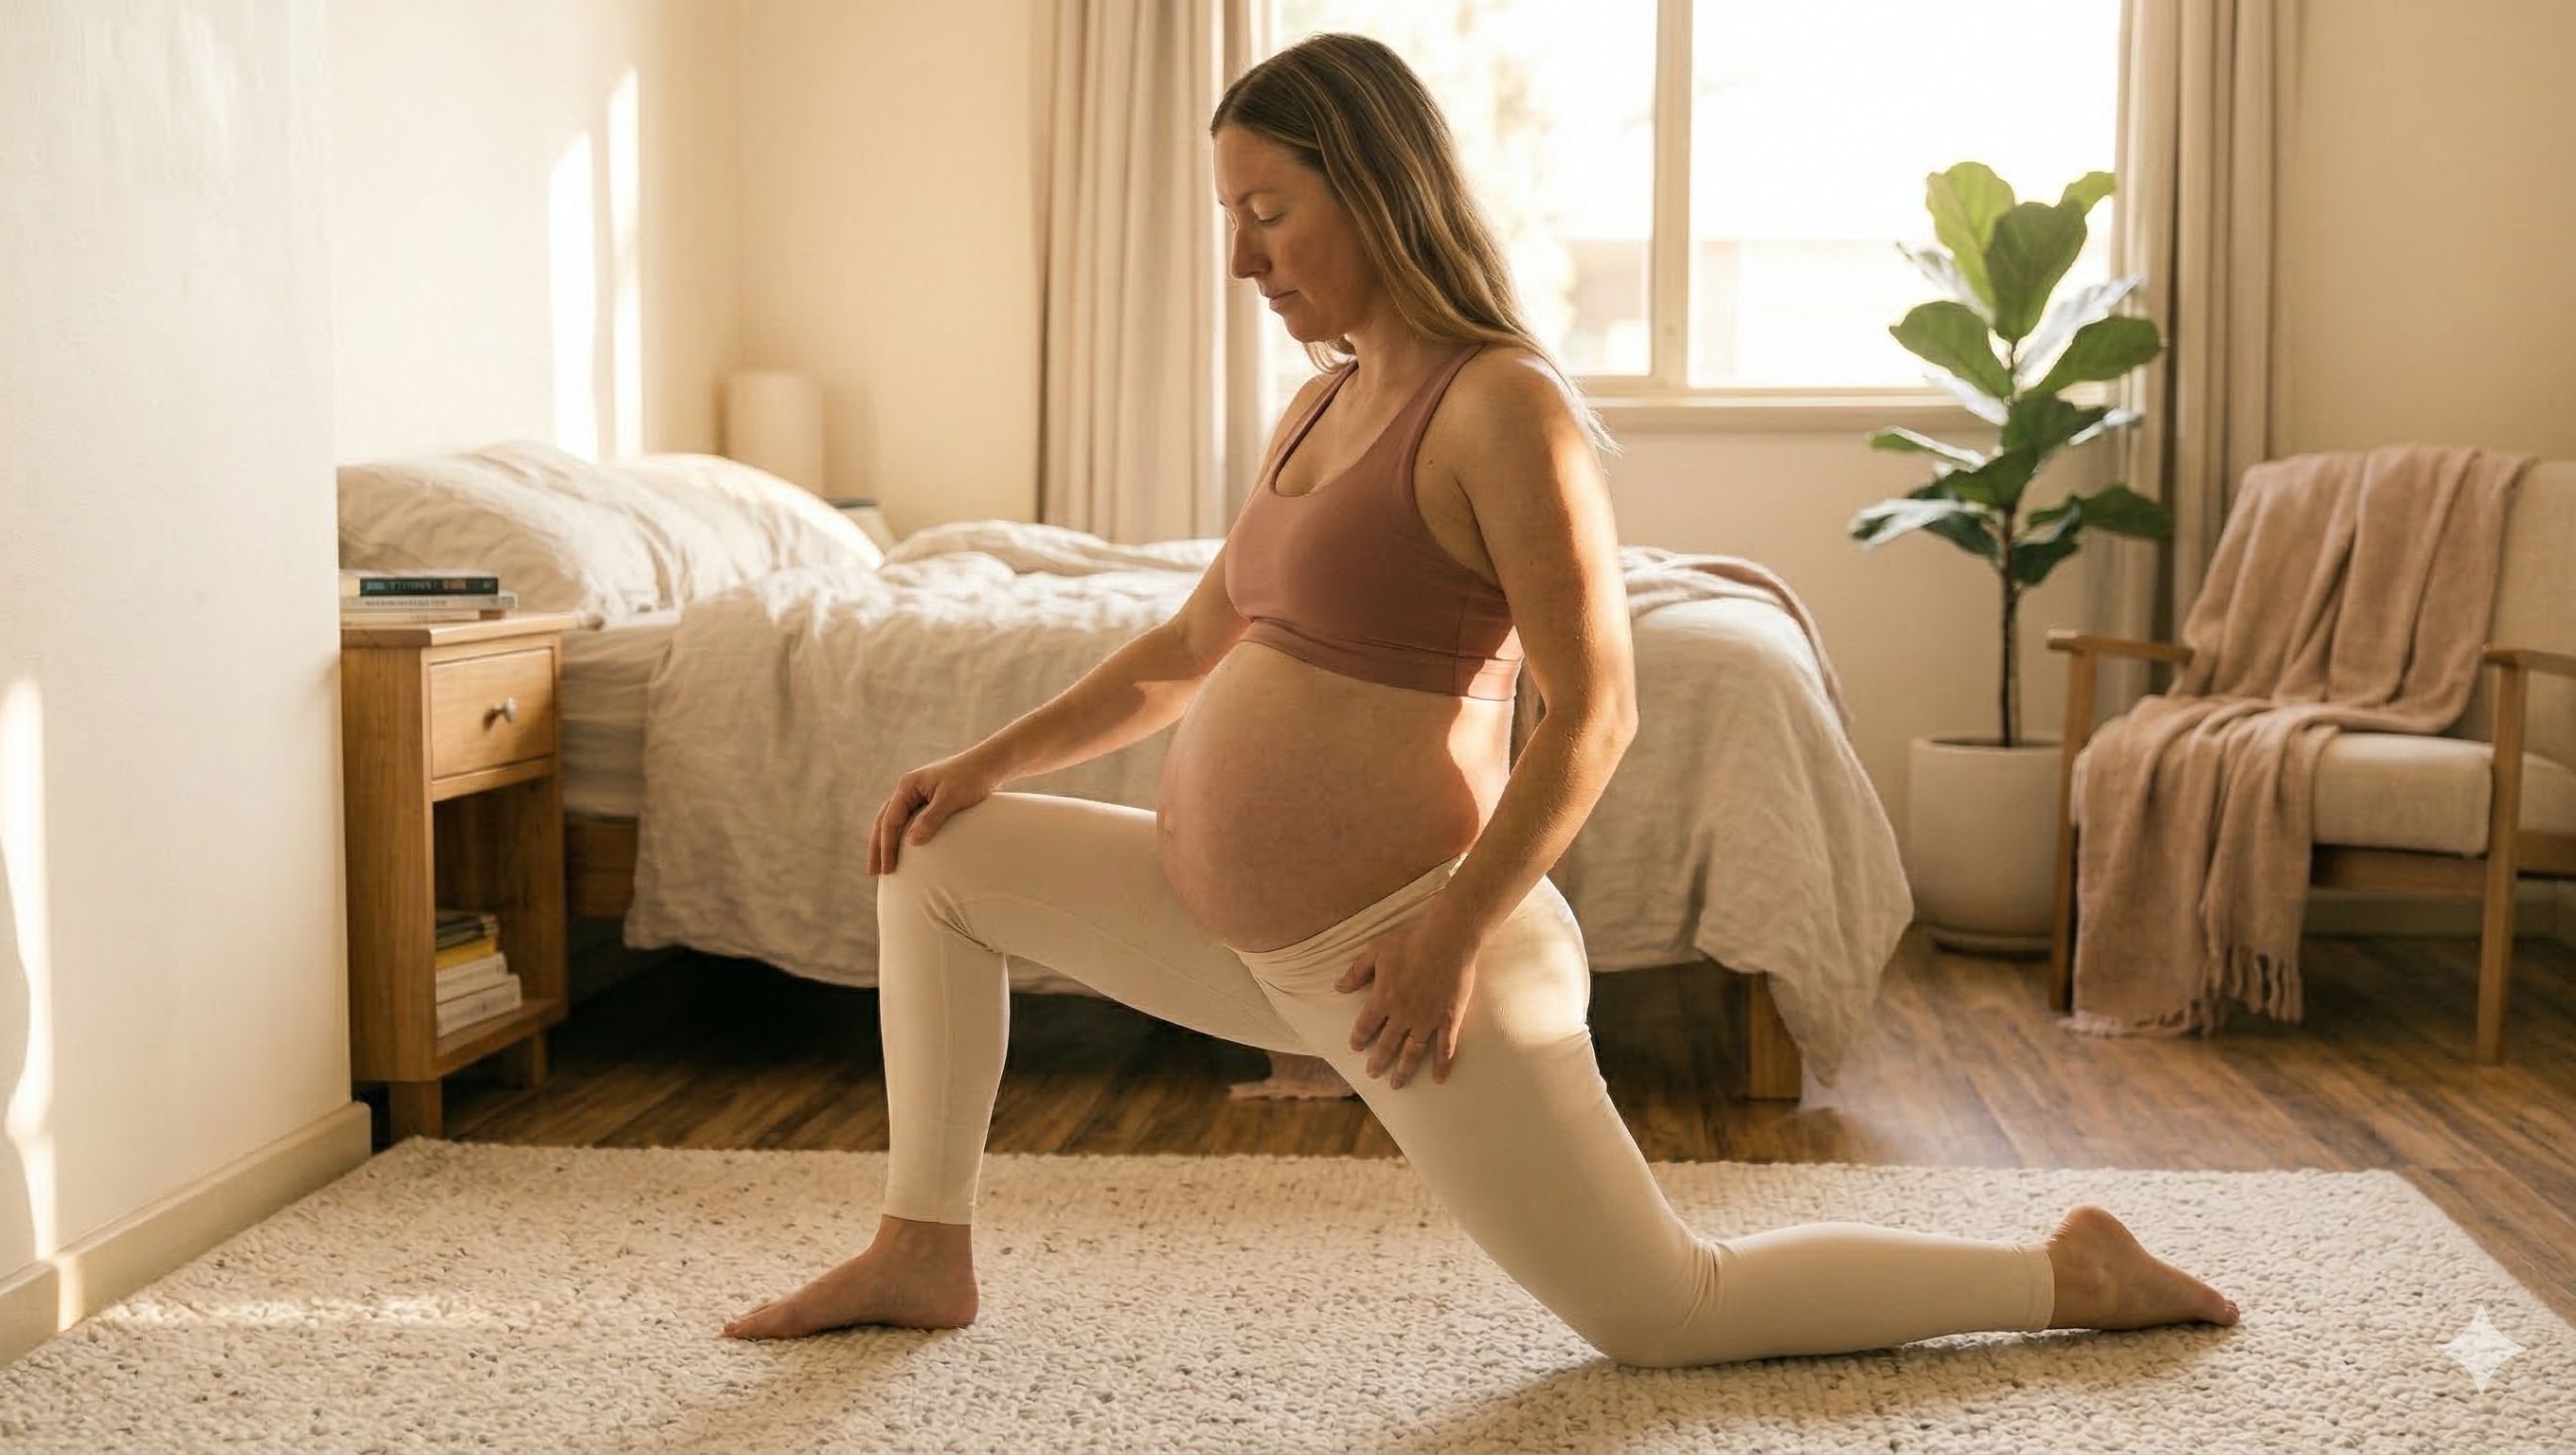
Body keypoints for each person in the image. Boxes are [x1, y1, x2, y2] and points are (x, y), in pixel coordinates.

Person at [723, 31, 2240, 1364]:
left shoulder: (1504, 405)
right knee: (934, 855)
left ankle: (2064, 1274)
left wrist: (1447, 939)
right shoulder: (1315, 398)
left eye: (1268, 212)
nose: (1243, 260)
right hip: (1234, 939)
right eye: (1227, 219)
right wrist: (972, 763)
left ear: (1376, 191)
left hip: (1414, 958)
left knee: (1666, 1314)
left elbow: (1594, 712)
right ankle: (923, 1250)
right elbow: (1187, 648)